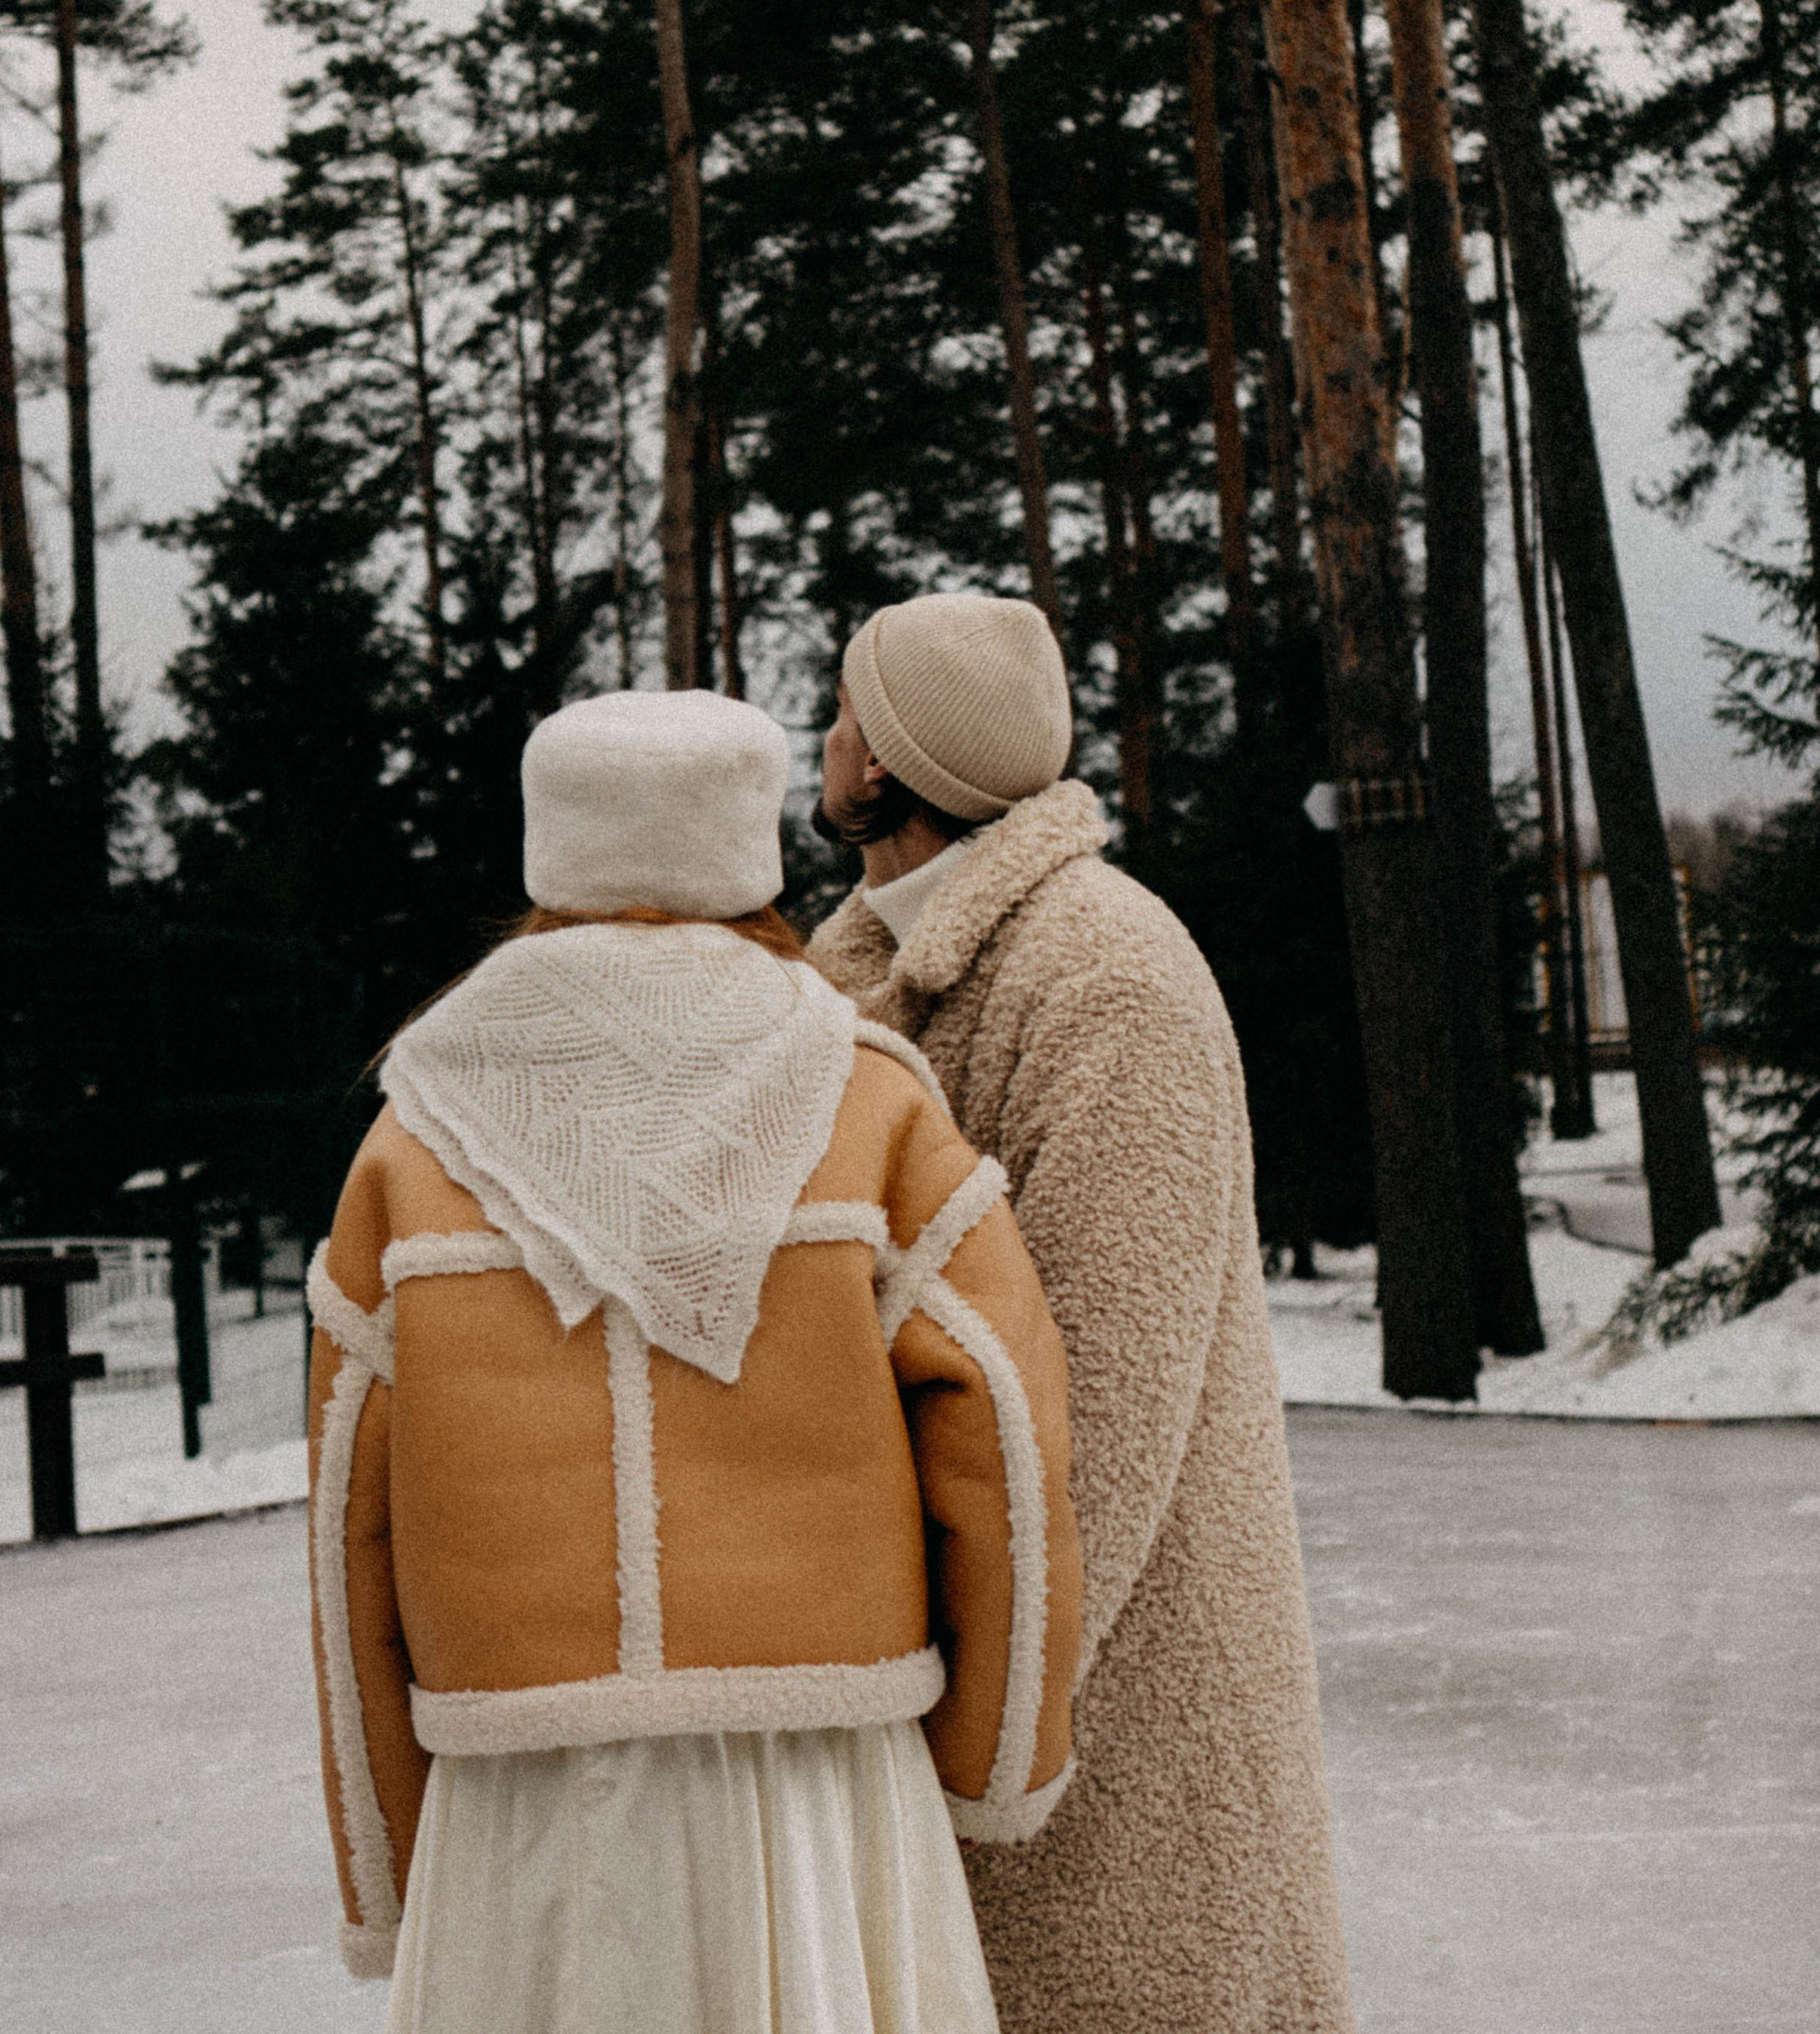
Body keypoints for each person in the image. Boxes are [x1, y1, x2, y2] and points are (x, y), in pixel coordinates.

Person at [306, 686, 1081, 2034]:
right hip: (818, 1792)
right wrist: (995, 1759)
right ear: (751, 848)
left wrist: (387, 1866)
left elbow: (344, 1525)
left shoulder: (412, 1131)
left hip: (522, 1800)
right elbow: (1004, 1435)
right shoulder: (872, 1095)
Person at [811, 594, 1356, 2034]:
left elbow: (1098, 1419)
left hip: (1123, 1745)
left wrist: (969, 1729)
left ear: (893, 763)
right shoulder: (860, 970)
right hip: (961, 1722)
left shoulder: (1114, 980)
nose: (827, 733)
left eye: (850, 709)